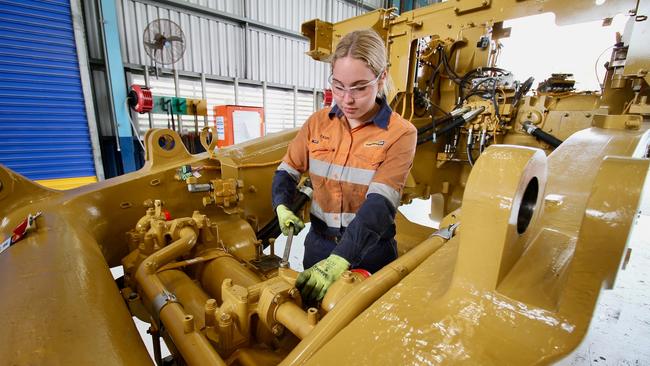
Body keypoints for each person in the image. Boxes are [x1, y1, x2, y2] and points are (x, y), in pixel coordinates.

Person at [271, 29, 417, 303]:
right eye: (338, 86)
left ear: (381, 77)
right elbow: (287, 171)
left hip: (370, 254)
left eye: (360, 87)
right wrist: (281, 205)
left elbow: (380, 203)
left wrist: (341, 259)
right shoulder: (317, 123)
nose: (347, 99)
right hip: (318, 248)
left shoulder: (401, 133)